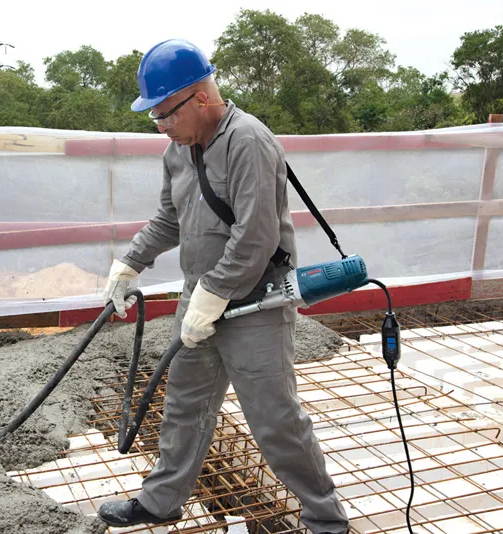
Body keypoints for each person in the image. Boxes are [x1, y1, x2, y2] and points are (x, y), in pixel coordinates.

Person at [98, 39, 349, 534]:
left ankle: (325, 520)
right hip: (202, 297)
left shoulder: (248, 141)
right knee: (184, 404)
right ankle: (162, 500)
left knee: (274, 417)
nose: (160, 125)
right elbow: (170, 219)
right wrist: (129, 264)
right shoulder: (178, 150)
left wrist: (212, 297)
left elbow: (255, 236)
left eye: (165, 113)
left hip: (256, 301)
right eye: (154, 116)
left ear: (200, 98)